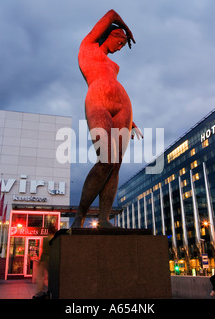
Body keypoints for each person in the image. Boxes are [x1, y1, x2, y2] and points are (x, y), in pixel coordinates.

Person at [71, 9, 142, 229]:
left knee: (116, 164)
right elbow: (111, 14)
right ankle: (80, 217)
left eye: (123, 44)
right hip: (97, 102)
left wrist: (132, 122)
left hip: (123, 107)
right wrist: (127, 29)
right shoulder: (88, 47)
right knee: (106, 160)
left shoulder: (113, 66)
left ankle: (104, 219)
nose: (120, 47)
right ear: (110, 35)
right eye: (120, 42)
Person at [33, 232, 54, 299]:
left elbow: (43, 250)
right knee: (51, 275)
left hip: (43, 259)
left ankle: (40, 290)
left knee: (40, 275)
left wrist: (40, 259)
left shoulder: (45, 239)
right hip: (50, 259)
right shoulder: (54, 239)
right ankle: (51, 288)